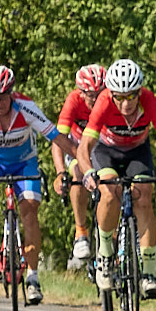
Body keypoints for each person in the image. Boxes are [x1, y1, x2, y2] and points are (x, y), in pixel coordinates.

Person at [0, 65, 74, 307]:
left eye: (1, 98)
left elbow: (57, 137)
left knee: (30, 212)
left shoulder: (26, 107)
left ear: (11, 94)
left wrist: (84, 167)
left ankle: (33, 278)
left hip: (24, 162)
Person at [82, 58, 156, 299]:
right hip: (106, 152)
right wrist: (87, 172)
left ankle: (149, 272)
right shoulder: (103, 102)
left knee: (144, 197)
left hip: (136, 151)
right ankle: (104, 253)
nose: (125, 103)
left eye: (130, 96)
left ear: (139, 92)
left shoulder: (149, 100)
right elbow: (85, 146)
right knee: (110, 193)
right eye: (119, 97)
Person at [56, 64, 106, 270]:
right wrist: (60, 172)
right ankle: (81, 232)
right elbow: (58, 139)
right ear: (80, 92)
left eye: (99, 94)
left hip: (103, 148)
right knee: (77, 173)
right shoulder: (73, 101)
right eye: (90, 95)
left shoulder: (110, 101)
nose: (95, 100)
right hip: (76, 149)